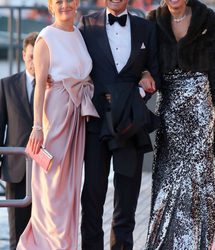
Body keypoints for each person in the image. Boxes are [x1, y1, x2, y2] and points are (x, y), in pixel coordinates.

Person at [145, 0, 215, 249]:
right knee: (168, 176)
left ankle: (195, 243)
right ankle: (164, 242)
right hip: (169, 107)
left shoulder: (207, 17)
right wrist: (144, 76)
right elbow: (147, 61)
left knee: (198, 176)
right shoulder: (153, 20)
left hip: (200, 107)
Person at [17, 0, 98, 249]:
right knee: (53, 191)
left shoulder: (79, 34)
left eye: (70, 0)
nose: (65, 5)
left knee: (71, 189)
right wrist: (38, 127)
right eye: (59, 1)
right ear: (52, 6)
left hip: (77, 117)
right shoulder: (46, 37)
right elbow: (40, 85)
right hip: (55, 117)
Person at [78, 0, 160, 249]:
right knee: (92, 198)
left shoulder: (145, 28)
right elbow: (74, 63)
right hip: (97, 123)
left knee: (126, 202)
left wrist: (139, 94)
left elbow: (155, 70)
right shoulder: (86, 24)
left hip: (130, 124)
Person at [0, 32, 38, 250]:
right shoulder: (6, 85)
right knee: (17, 235)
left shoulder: (54, 88)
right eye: (31, 57)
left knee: (43, 234)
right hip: (15, 171)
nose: (34, 62)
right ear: (24, 55)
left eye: (39, 57)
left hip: (46, 172)